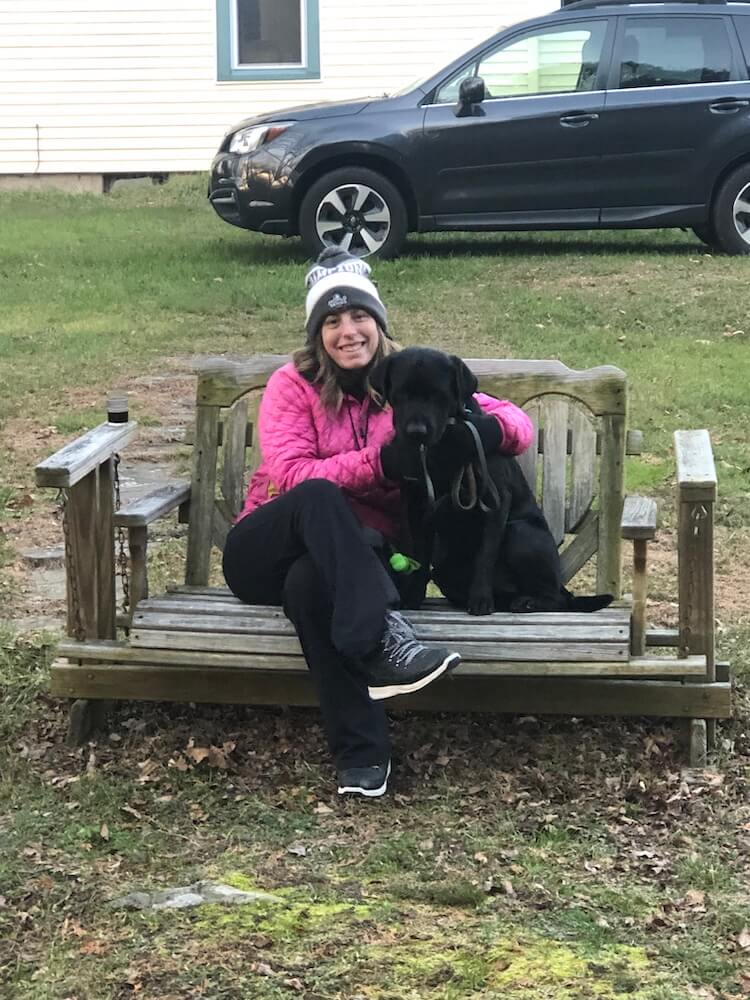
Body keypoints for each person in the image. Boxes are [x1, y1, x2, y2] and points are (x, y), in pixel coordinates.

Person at [222, 248, 534, 798]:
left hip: (346, 566)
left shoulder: (408, 378)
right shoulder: (291, 385)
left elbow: (515, 421)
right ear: (317, 333)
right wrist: (380, 464)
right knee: (318, 494)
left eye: (359, 316)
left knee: (313, 586)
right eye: (332, 321)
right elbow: (291, 475)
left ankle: (362, 759)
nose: (348, 331)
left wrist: (483, 434)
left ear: (378, 322)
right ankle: (384, 632)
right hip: (264, 547)